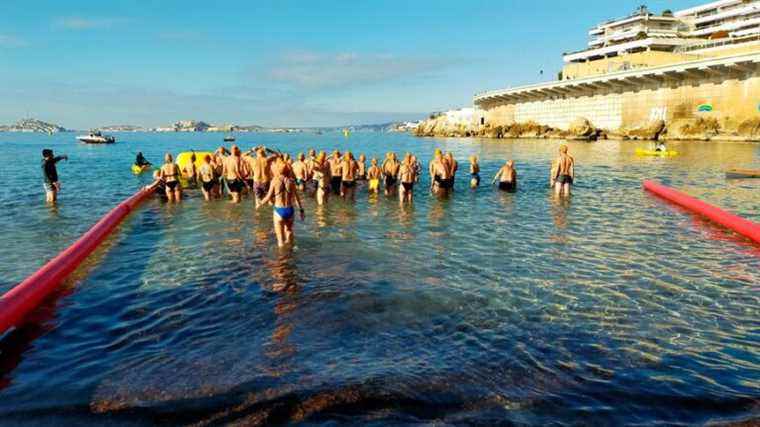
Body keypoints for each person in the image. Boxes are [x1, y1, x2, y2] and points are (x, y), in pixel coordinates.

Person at [259, 160, 305, 248]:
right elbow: (297, 198)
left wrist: (260, 203)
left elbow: (268, 196)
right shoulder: (291, 182)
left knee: (280, 240)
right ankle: (290, 250)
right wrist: (301, 210)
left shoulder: (274, 181)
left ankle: (282, 258)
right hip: (290, 210)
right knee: (289, 231)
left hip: (279, 210)